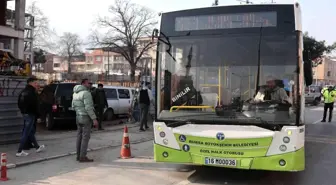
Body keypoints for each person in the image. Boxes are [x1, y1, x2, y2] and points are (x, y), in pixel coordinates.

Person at [16, 77, 45, 157]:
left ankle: (37, 147)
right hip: (31, 115)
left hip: (25, 114)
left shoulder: (23, 92)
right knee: (26, 132)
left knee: (30, 132)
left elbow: (19, 103)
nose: (37, 84)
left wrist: (23, 111)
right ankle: (19, 151)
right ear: (30, 83)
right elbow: (35, 106)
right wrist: (38, 116)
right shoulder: (32, 93)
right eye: (35, 83)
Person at [72, 79, 98, 162]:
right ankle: (83, 156)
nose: (90, 84)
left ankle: (78, 155)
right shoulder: (86, 93)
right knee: (85, 137)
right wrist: (94, 119)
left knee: (79, 136)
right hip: (86, 117)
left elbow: (73, 106)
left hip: (78, 116)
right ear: (83, 83)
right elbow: (88, 108)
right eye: (88, 83)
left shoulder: (75, 93)